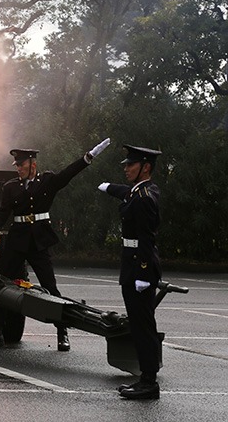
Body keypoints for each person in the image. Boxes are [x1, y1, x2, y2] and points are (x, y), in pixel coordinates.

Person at [0, 138, 111, 351]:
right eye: (16, 165)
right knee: (1, 284)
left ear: (32, 164)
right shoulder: (10, 188)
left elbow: (68, 174)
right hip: (17, 241)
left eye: (21, 165)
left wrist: (88, 157)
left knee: (51, 288)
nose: (18, 169)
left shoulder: (47, 181)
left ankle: (62, 333)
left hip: (39, 240)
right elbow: (1, 217)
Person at [98, 145, 162, 400]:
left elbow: (147, 239)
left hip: (139, 265)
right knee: (139, 325)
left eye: (130, 165)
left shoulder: (145, 197)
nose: (125, 168)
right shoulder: (141, 191)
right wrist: (109, 187)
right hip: (132, 263)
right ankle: (146, 378)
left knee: (143, 326)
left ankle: (149, 382)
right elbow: (126, 192)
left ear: (145, 167)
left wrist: (144, 275)